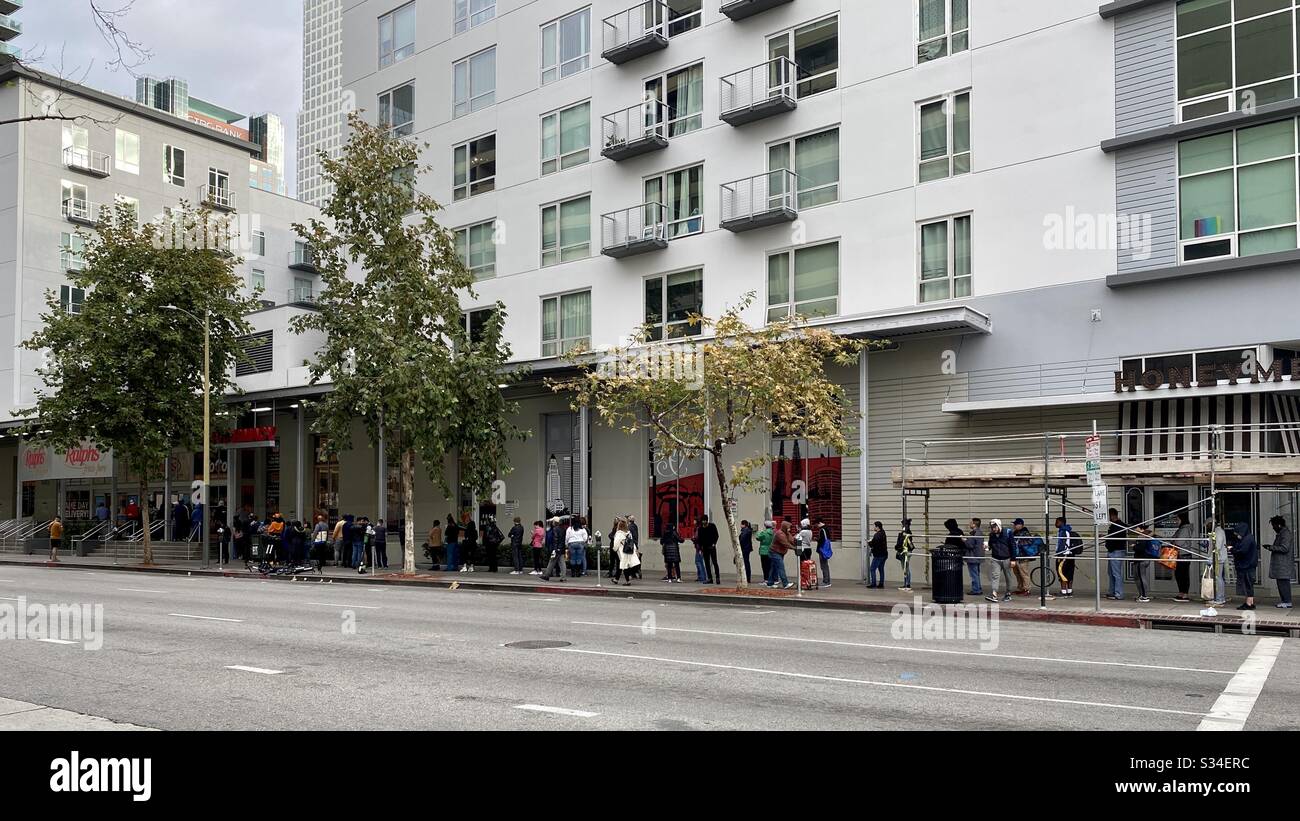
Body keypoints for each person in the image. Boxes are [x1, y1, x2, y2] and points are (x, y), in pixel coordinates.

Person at [1264, 515, 1294, 609]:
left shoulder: (1285, 534)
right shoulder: (1283, 533)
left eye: (1274, 526)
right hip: (1282, 565)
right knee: (1281, 583)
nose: (1273, 528)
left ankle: (1287, 601)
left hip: (1283, 565)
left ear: (1279, 525)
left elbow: (1285, 548)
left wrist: (1271, 547)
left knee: (1283, 583)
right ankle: (1285, 601)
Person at [1229, 521, 1258, 611]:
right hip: (1248, 564)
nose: (1237, 536)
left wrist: (1232, 549)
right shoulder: (1249, 538)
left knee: (1247, 584)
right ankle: (1250, 602)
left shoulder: (1247, 539)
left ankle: (1248, 603)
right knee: (1249, 584)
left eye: (1237, 533)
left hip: (1247, 565)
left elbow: (1242, 551)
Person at [985, 519, 1015, 603]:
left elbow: (1013, 546)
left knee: (1008, 577)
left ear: (999, 525)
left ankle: (1008, 593)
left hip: (1007, 558)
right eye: (992, 527)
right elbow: (990, 545)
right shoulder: (992, 535)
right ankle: (994, 594)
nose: (993, 529)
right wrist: (987, 547)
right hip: (995, 558)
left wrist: (1013, 559)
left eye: (995, 527)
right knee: (995, 576)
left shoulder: (1008, 532)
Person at [1170, 511, 1196, 603]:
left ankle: (1184, 594)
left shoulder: (1184, 529)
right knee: (1179, 574)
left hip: (1183, 555)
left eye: (1177, 519)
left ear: (1182, 519)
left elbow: (1179, 542)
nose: (1177, 521)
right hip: (1181, 554)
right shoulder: (1182, 529)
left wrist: (1173, 541)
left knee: (1183, 575)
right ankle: (1181, 592)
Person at [1104, 508, 1128, 601]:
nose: (1108, 518)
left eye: (1108, 516)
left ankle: (1119, 593)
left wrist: (1106, 538)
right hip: (1112, 551)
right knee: (1111, 573)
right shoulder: (1113, 525)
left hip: (1116, 551)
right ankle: (1112, 591)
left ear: (1112, 515)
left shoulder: (1119, 525)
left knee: (1116, 573)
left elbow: (1115, 538)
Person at [1055, 516, 1082, 598]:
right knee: (1070, 573)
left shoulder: (1062, 531)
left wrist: (1058, 554)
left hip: (1063, 555)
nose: (1055, 524)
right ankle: (1069, 591)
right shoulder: (1068, 530)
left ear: (1061, 522)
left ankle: (1063, 591)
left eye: (1057, 522)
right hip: (1070, 555)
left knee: (1062, 572)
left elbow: (1061, 544)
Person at [1009, 519, 1036, 595]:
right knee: (1017, 574)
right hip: (1015, 557)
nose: (1014, 526)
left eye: (1016, 524)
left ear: (1021, 525)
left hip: (1023, 557)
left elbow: (1030, 541)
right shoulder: (1014, 533)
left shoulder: (1025, 533)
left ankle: (1027, 589)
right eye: (1014, 524)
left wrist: (1018, 543)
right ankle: (1020, 588)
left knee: (1024, 573)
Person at [768, 521, 794, 589]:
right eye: (788, 527)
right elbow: (785, 543)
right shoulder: (780, 534)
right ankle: (785, 583)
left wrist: (798, 542)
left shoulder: (786, 533)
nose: (789, 529)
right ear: (785, 527)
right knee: (780, 567)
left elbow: (792, 540)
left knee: (774, 567)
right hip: (775, 552)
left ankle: (770, 583)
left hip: (780, 552)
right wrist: (795, 548)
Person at [1210, 516, 1229, 606]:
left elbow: (1217, 546)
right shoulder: (1218, 531)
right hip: (1218, 558)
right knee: (1218, 578)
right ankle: (1219, 597)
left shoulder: (1218, 532)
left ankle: (1220, 598)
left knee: (1218, 578)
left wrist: (1211, 556)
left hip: (1218, 558)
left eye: (1208, 524)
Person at [614, 518, 639, 586]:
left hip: (622, 551)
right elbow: (632, 542)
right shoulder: (628, 533)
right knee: (623, 565)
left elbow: (616, 543)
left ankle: (627, 581)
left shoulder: (619, 533)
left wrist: (615, 549)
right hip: (628, 551)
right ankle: (616, 579)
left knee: (624, 566)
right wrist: (635, 549)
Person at [541, 517, 567, 582]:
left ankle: (546, 575)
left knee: (552, 561)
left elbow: (555, 539)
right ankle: (563, 577)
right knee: (561, 562)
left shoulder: (555, 529)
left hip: (556, 548)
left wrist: (555, 549)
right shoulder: (563, 529)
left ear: (554, 522)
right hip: (561, 548)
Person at [697, 515, 720, 585]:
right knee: (707, 563)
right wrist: (700, 549)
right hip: (705, 548)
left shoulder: (712, 526)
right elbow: (699, 539)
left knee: (714, 562)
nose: (704, 522)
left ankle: (717, 577)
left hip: (711, 546)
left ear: (707, 520)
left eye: (705, 520)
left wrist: (714, 543)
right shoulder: (700, 529)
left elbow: (716, 535)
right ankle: (710, 578)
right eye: (703, 521)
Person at [965, 518, 984, 596]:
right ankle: (978, 588)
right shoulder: (980, 532)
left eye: (970, 523)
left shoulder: (974, 533)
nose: (969, 524)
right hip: (978, 556)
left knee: (974, 574)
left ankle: (976, 589)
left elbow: (970, 545)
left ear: (974, 524)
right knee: (976, 573)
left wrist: (965, 540)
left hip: (973, 556)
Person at [895, 518, 914, 592]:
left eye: (903, 524)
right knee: (906, 568)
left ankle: (907, 583)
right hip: (906, 551)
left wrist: (898, 548)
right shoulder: (907, 532)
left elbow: (903, 542)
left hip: (905, 551)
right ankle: (907, 583)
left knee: (905, 568)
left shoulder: (906, 532)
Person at [868, 521, 888, 588]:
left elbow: (874, 545)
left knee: (872, 569)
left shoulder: (877, 535)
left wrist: (869, 542)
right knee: (881, 569)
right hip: (884, 554)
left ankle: (873, 584)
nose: (873, 527)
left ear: (877, 527)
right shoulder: (883, 533)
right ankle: (881, 584)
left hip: (878, 555)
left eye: (874, 526)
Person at [816, 518, 833, 588]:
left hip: (822, 550)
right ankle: (827, 580)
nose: (816, 526)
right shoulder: (827, 529)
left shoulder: (822, 530)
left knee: (823, 565)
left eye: (817, 524)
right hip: (825, 549)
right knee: (825, 565)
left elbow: (822, 540)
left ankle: (826, 581)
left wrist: (817, 540)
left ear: (819, 522)